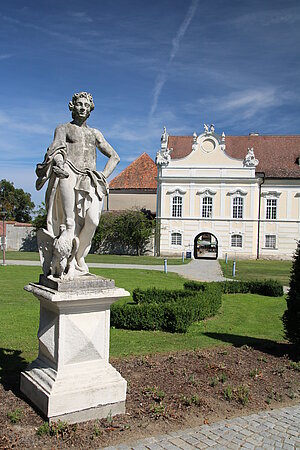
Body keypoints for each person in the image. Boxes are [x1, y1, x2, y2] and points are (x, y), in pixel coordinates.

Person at [36, 92, 120, 278]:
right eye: (79, 104)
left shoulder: (95, 133)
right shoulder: (64, 128)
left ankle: (79, 256)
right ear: (72, 106)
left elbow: (115, 157)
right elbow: (55, 149)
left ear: (90, 109)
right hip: (69, 172)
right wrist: (58, 162)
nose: (82, 107)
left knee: (93, 220)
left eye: (86, 105)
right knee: (69, 223)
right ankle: (67, 260)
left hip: (89, 178)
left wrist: (103, 176)